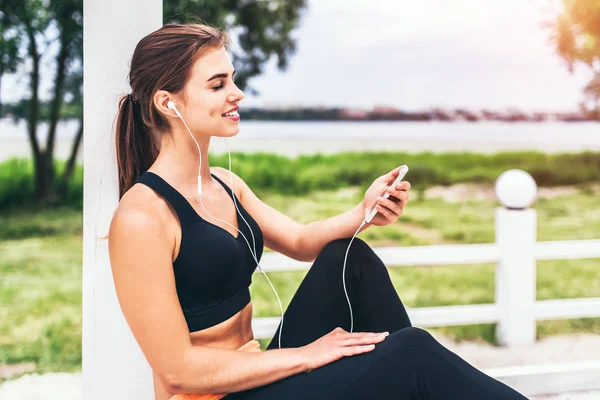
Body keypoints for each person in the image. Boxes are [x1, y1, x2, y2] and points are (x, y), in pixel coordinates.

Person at [108, 23, 529, 400]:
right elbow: (178, 372)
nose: (237, 94)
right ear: (168, 103)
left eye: (232, 80)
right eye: (217, 85)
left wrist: (365, 211)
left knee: (349, 260)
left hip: (254, 372)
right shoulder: (143, 216)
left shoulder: (225, 183)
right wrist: (308, 356)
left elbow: (298, 241)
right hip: (212, 395)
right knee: (412, 352)